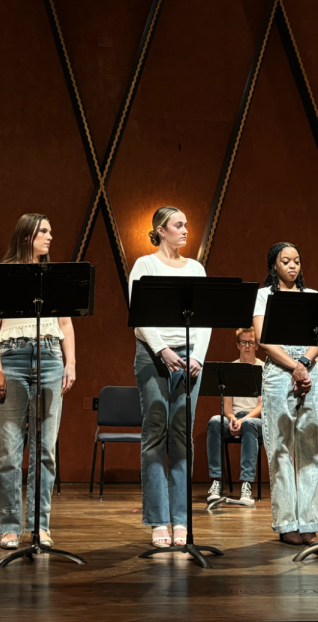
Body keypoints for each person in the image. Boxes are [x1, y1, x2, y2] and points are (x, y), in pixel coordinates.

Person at [0, 213, 77, 550]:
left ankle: (40, 525)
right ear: (26, 236)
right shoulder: (2, 272)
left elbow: (65, 323)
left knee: (45, 449)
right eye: (44, 231)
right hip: (11, 356)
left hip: (50, 356)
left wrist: (71, 363)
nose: (50, 237)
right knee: (9, 450)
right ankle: (10, 526)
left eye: (52, 231)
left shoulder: (54, 276)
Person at [130, 206, 209, 549]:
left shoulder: (196, 268)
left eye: (186, 225)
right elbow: (139, 313)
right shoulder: (144, 265)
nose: (185, 230)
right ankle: (159, 519)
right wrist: (162, 349)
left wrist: (198, 356)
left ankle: (181, 519)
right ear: (161, 229)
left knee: (181, 434)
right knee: (155, 432)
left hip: (189, 356)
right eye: (178, 225)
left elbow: (205, 317)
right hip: (153, 355)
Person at [253, 242, 318, 545]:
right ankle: (286, 523)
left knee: (310, 448)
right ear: (274, 266)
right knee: (280, 449)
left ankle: (309, 521)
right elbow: (262, 339)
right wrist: (294, 366)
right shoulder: (264, 296)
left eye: (297, 260)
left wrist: (305, 363)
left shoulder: (313, 297)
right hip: (279, 371)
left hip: (309, 369)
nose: (292, 266)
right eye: (285, 261)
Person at [205, 327, 264, 508]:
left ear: (256, 346)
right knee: (215, 421)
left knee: (249, 425)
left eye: (251, 342)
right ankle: (216, 481)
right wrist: (233, 418)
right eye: (243, 342)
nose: (247, 346)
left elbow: (262, 406)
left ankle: (246, 485)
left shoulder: (263, 368)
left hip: (255, 419)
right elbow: (227, 407)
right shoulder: (231, 369)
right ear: (238, 345)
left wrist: (243, 420)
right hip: (235, 417)